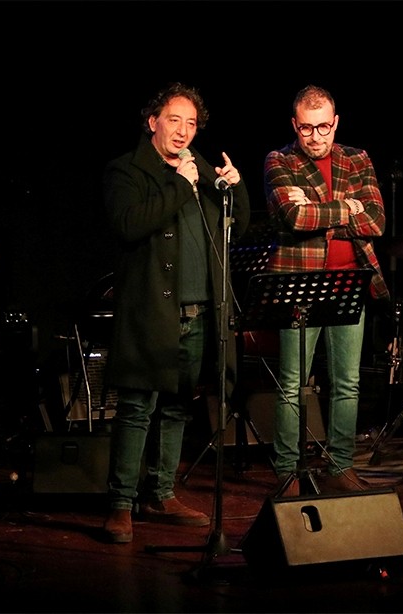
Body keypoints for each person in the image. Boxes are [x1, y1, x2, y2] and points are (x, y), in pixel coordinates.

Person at [101, 82, 251, 543]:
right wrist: (181, 185)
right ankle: (121, 503)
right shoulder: (127, 170)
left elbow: (237, 228)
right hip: (152, 313)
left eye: (191, 123)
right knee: (136, 409)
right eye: (174, 120)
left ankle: (161, 493)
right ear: (153, 122)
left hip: (200, 311)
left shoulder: (198, 168)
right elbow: (129, 224)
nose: (184, 131)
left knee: (177, 408)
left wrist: (236, 190)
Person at [264, 84, 390, 496]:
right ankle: (287, 471)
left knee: (347, 383)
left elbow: (376, 221)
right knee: (292, 384)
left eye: (323, 127)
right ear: (294, 125)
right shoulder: (279, 160)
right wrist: (347, 207)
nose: (315, 137)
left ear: (335, 123)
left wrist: (319, 212)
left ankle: (340, 465)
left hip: (349, 282)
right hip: (299, 284)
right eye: (306, 128)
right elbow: (294, 217)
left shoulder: (357, 159)